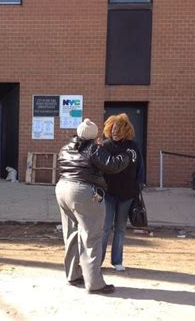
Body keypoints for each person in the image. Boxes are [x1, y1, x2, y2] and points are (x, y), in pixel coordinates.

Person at [56, 118, 137, 294]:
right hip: (83, 191)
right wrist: (127, 156)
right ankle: (94, 283)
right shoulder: (93, 148)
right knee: (91, 236)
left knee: (71, 233)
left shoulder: (66, 148)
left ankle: (73, 274)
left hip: (62, 188)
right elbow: (113, 165)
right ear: (93, 136)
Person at [101, 113, 145, 272]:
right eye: (113, 129)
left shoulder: (133, 147)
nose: (115, 132)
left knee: (120, 227)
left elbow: (140, 168)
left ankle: (117, 261)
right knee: (105, 227)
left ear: (126, 131)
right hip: (109, 193)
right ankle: (98, 261)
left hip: (127, 194)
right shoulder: (105, 146)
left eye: (118, 130)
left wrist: (139, 185)